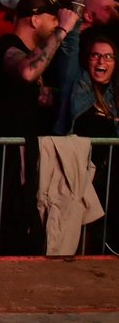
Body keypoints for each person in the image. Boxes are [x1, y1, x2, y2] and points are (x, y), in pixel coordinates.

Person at [0, 0, 78, 254]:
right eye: (52, 19)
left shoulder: (26, 52)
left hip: (18, 164)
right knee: (3, 237)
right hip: (2, 168)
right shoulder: (7, 46)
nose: (57, 23)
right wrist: (63, 31)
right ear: (34, 20)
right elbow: (27, 71)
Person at [63, 34, 119, 252]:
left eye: (108, 56)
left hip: (110, 176)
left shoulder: (115, 95)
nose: (101, 61)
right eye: (95, 55)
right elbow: (68, 53)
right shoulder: (79, 86)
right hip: (81, 173)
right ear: (87, 60)